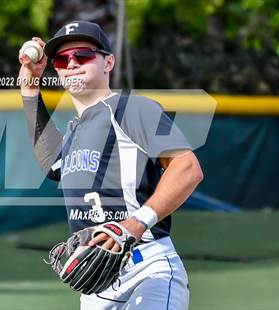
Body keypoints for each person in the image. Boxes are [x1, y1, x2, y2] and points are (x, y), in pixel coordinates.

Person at [19, 20, 203, 310]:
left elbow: (187, 167)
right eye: (62, 60)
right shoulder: (74, 130)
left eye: (82, 55)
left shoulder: (132, 109)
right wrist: (30, 86)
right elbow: (52, 165)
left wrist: (135, 223)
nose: (72, 64)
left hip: (148, 268)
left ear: (109, 62)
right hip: (97, 285)